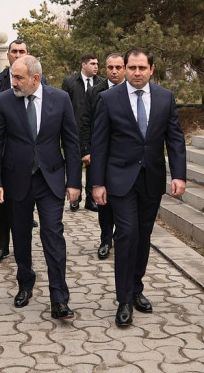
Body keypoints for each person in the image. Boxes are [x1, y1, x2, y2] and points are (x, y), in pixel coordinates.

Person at [90, 48, 186, 327]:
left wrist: (179, 174)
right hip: (120, 180)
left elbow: (175, 138)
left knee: (143, 236)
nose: (136, 73)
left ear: (151, 69)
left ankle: (136, 289)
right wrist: (97, 183)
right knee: (126, 234)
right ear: (125, 68)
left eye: (142, 68)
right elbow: (99, 143)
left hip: (151, 179)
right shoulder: (108, 99)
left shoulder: (165, 97)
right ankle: (123, 300)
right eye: (131, 68)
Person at [0, 55, 81, 319]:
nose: (13, 83)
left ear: (35, 78)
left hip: (50, 179)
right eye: (12, 77)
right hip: (16, 180)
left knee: (53, 234)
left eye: (19, 78)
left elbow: (71, 141)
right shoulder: (4, 100)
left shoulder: (60, 99)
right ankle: (25, 283)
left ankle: (59, 298)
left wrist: (74, 182)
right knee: (21, 236)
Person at [0, 39, 40, 264]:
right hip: (4, 153)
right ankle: (1, 245)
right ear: (8, 54)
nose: (17, 54)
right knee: (2, 205)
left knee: (21, 208)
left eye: (22, 51)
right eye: (14, 51)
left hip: (28, 155)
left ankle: (22, 245)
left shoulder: (40, 80)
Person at [79, 53, 125, 260]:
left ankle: (121, 237)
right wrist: (86, 150)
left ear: (124, 68)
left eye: (118, 67)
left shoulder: (131, 91)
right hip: (101, 154)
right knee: (103, 200)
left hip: (124, 156)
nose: (114, 71)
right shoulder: (95, 91)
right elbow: (85, 121)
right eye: (110, 67)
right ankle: (106, 239)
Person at [62, 53, 104, 212]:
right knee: (74, 165)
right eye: (92, 63)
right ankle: (75, 198)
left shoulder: (100, 83)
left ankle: (91, 199)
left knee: (93, 166)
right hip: (73, 132)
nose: (96, 66)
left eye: (97, 64)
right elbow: (64, 106)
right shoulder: (70, 82)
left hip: (93, 132)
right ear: (83, 65)